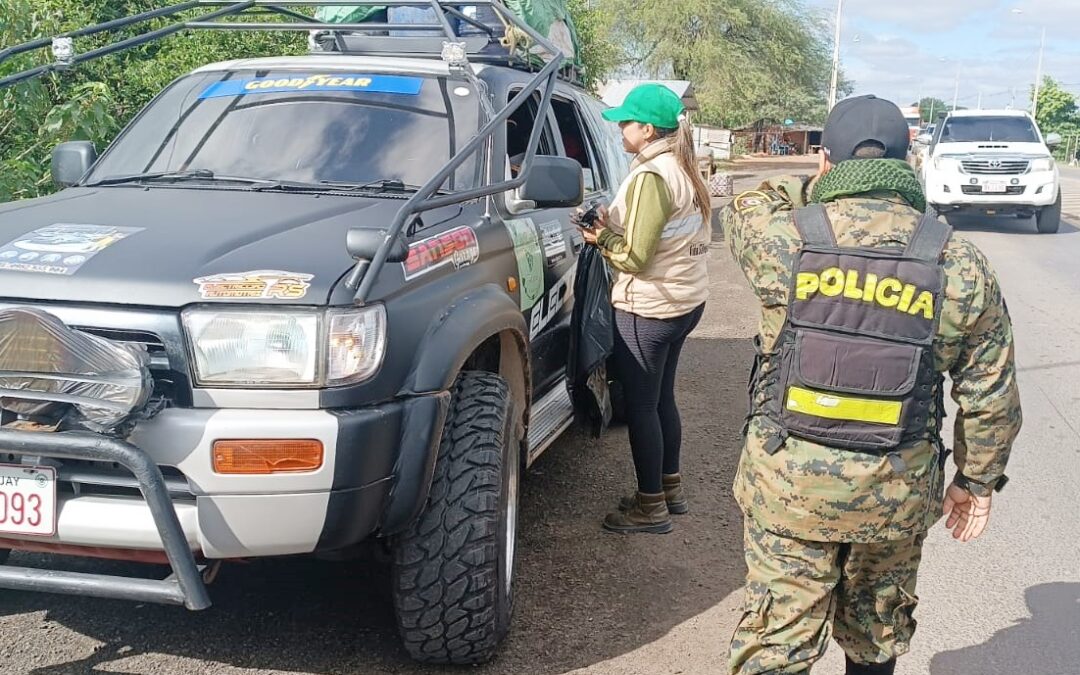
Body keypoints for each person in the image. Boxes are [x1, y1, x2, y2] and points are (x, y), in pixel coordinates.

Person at [720, 95, 1022, 674]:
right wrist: (977, 481)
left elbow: (748, 201)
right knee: (876, 637)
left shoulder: (781, 239)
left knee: (775, 646)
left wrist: (812, 188)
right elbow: (990, 393)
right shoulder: (958, 261)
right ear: (909, 163)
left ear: (825, 162)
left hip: (788, 491)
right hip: (895, 494)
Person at [573, 83, 713, 534]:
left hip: (650, 308)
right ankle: (670, 490)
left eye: (626, 123)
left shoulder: (652, 176)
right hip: (684, 301)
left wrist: (599, 237)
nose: (620, 129)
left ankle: (650, 506)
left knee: (641, 407)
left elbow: (634, 258)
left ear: (648, 130)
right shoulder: (684, 168)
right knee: (661, 398)